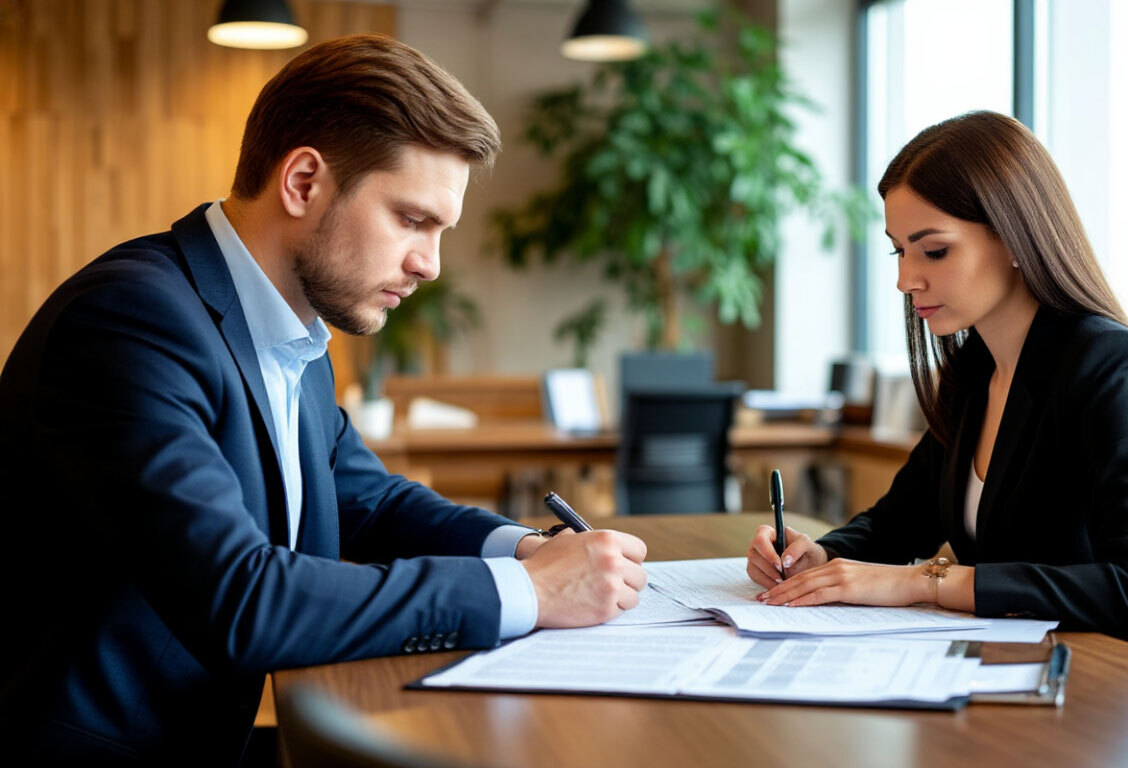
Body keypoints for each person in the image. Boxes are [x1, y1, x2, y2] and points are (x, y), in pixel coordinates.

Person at [0, 34, 646, 763]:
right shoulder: (129, 323)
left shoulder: (288, 328)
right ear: (304, 181)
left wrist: (528, 547)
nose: (429, 264)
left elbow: (363, 500)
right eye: (412, 219)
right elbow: (242, 600)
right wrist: (524, 592)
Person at [745, 111, 1128, 658]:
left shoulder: (1112, 368)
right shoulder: (974, 372)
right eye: (899, 250)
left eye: (933, 250)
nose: (906, 279)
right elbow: (896, 524)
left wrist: (924, 583)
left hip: (1121, 690)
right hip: (1014, 671)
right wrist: (816, 557)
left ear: (1013, 237)